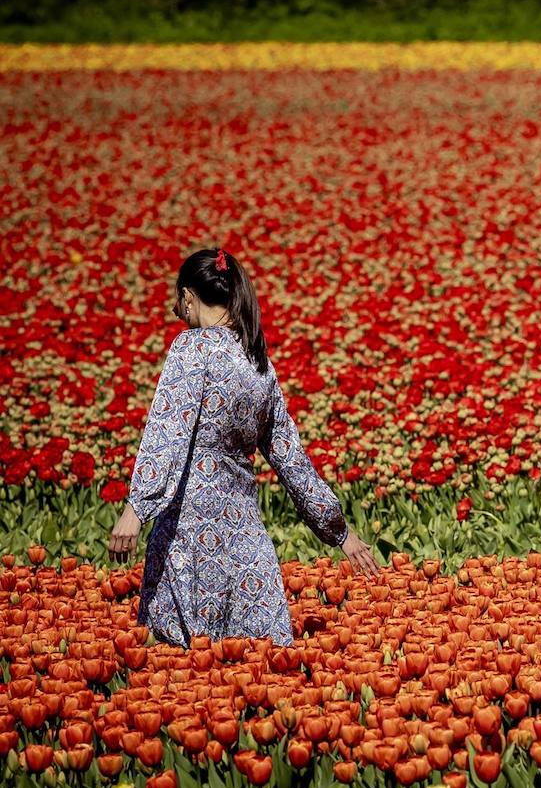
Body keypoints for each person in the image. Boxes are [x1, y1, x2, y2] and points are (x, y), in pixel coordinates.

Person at [109, 247, 383, 647]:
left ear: (188, 297)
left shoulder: (192, 349)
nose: (176, 313)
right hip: (244, 541)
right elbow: (291, 460)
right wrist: (339, 531)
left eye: (176, 303)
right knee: (255, 675)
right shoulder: (258, 364)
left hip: (189, 537)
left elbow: (166, 432)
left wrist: (136, 509)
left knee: (188, 677)